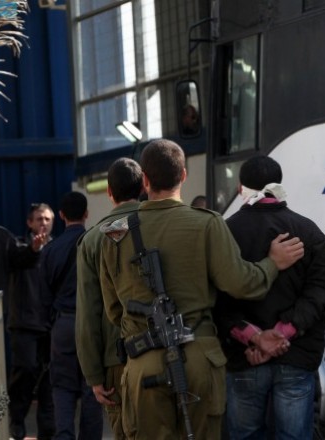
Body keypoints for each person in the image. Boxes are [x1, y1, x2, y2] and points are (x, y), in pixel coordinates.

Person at [99, 138, 305, 439]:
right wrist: (272, 263)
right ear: (183, 175)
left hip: (143, 360)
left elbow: (114, 311)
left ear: (144, 180)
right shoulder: (207, 224)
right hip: (198, 357)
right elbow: (243, 284)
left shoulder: (114, 235)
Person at [214, 155, 325, 439]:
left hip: (245, 357)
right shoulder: (309, 231)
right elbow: (322, 290)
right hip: (296, 354)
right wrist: (283, 333)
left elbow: (218, 299)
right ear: (279, 184)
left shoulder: (225, 233)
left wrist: (256, 338)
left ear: (240, 188)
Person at [76, 157, 143, 440]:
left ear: (109, 192)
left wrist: (93, 376)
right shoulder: (163, 225)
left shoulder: (93, 239)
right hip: (170, 348)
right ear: (143, 186)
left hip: (118, 356)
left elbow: (89, 313)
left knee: (127, 431)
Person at [41, 192, 103, 440]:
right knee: (93, 387)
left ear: (61, 215)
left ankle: (64, 435)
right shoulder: (97, 244)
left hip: (63, 324)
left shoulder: (50, 250)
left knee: (63, 387)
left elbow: (43, 297)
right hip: (93, 325)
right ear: (86, 214)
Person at [7, 203, 56, 440]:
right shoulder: (18, 246)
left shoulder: (57, 248)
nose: (43, 223)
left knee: (50, 380)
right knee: (25, 372)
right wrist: (34, 249)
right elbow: (22, 259)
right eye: (39, 219)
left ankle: (47, 430)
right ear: (29, 223)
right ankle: (16, 420)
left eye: (47, 219)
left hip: (52, 324)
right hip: (25, 323)